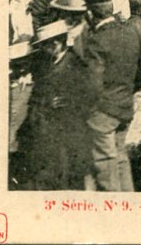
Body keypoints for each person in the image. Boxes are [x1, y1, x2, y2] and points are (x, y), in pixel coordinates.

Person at [82, 0, 141, 191]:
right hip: (125, 104)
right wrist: (130, 87)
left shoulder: (96, 40)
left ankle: (113, 203)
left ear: (89, 14)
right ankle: (127, 198)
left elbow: (93, 83)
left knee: (105, 161)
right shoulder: (132, 31)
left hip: (104, 110)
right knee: (120, 157)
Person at [15, 20, 97, 190]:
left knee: (65, 174)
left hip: (66, 132)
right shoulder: (49, 62)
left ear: (56, 44)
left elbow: (87, 98)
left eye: (45, 45)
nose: (44, 49)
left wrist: (66, 102)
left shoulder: (75, 65)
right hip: (46, 130)